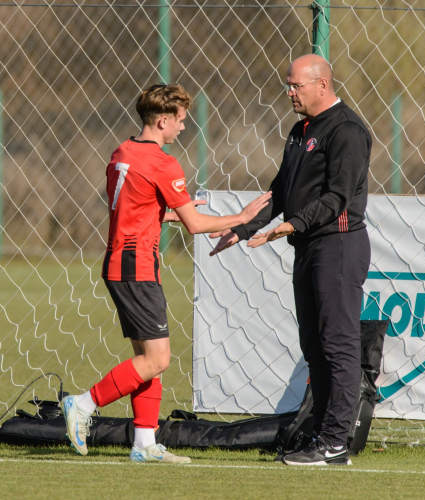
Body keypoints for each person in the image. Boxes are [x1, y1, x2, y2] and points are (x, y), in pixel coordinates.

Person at [61, 83, 271, 463]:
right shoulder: (163, 163)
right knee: (157, 359)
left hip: (119, 262)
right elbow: (194, 225)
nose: (184, 128)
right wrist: (240, 218)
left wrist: (171, 210)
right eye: (181, 121)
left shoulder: (121, 151)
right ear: (162, 121)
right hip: (137, 264)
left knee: (146, 355)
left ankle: (144, 443)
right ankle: (83, 403)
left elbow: (138, 207)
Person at [210, 55, 372, 466]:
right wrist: (244, 228)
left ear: (322, 85)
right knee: (313, 346)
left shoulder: (348, 131)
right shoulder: (299, 131)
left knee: (338, 343)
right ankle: (320, 433)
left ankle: (336, 443)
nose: (290, 93)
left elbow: (338, 197)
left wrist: (294, 225)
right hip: (307, 246)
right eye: (288, 85)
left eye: (296, 86)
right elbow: (281, 189)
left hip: (337, 246)